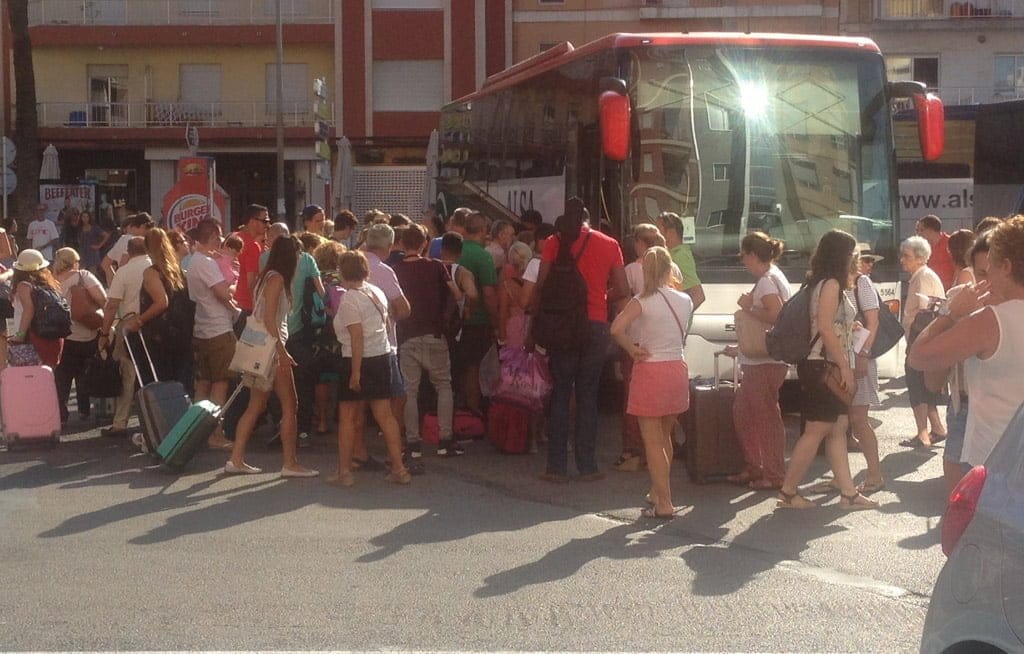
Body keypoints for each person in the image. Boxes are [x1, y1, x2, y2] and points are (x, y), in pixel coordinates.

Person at [909, 217, 1024, 475]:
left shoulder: (991, 320)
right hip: (1001, 443)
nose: (985, 278)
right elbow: (932, 381)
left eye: (991, 267)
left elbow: (918, 356)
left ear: (1005, 266)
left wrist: (950, 314)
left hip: (995, 455)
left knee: (972, 513)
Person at [776, 229, 878, 510]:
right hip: (824, 364)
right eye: (853, 254)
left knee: (836, 427)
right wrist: (845, 366)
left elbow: (826, 325)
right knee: (818, 429)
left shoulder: (820, 283)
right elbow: (823, 327)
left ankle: (848, 493)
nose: (855, 259)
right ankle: (788, 491)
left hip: (819, 364)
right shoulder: (832, 284)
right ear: (843, 255)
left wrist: (848, 328)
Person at [535, 199, 628, 482]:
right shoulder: (609, 244)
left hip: (562, 325)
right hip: (595, 324)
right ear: (589, 220)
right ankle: (588, 465)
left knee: (562, 391)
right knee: (588, 394)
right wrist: (599, 295)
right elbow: (623, 288)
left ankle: (556, 467)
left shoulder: (554, 241)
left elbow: (541, 285)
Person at [224, 235, 318, 478]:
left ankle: (236, 458)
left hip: (263, 349)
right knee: (290, 405)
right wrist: (282, 352)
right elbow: (269, 319)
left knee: (256, 405)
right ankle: (290, 462)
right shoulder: (277, 279)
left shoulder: (267, 276)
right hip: (273, 349)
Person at [610, 246, 692, 518]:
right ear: (670, 269)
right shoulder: (685, 300)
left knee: (652, 441)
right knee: (665, 436)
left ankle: (665, 502)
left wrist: (632, 349)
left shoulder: (641, 301)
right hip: (676, 369)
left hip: (650, 370)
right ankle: (658, 491)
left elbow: (615, 329)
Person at [329, 251, 412, 487]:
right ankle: (399, 468)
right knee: (386, 416)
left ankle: (344, 472)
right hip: (382, 356)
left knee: (348, 417)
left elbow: (356, 337)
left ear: (343, 271)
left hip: (357, 360)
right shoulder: (376, 292)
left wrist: (355, 373)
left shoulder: (350, 298)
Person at [613, 223, 682, 472]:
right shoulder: (674, 270)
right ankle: (663, 462)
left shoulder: (632, 270)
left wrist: (630, 347)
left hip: (640, 345)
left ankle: (633, 452)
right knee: (665, 418)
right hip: (671, 351)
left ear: (639, 244)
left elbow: (620, 308)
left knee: (634, 403)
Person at [728, 232, 792, 491]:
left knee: (764, 416)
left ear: (753, 255)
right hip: (765, 358)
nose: (743, 261)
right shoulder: (775, 276)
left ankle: (773, 473)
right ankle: (757, 467)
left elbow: (776, 315)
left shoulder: (766, 281)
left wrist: (747, 307)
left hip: (763, 361)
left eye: (744, 256)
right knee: (746, 413)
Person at [393, 224, 462, 461]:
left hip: (407, 335)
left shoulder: (396, 269)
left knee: (410, 391)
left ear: (402, 244)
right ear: (424, 244)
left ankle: (412, 443)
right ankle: (445, 440)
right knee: (443, 385)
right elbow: (456, 294)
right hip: (434, 334)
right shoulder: (436, 267)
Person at [186, 218, 241, 450]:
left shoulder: (193, 262)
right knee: (220, 384)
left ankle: (196, 433)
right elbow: (222, 293)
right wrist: (234, 284)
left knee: (203, 385)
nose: (221, 241)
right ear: (211, 237)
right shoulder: (206, 263)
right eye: (219, 237)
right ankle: (215, 434)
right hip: (218, 328)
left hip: (201, 327)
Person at [120, 228, 191, 386]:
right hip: (182, 331)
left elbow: (161, 302)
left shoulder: (152, 272)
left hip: (160, 334)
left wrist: (139, 320)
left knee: (157, 378)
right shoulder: (177, 271)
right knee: (180, 378)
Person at [96, 238, 151, 438]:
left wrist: (104, 333)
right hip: (154, 324)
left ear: (128, 253)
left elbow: (111, 306)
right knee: (153, 372)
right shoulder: (156, 267)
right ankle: (157, 416)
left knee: (128, 374)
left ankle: (120, 422)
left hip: (129, 324)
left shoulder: (125, 271)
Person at [899, 235, 948, 449]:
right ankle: (936, 428)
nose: (902, 260)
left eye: (907, 256)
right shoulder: (922, 275)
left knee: (916, 384)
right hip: (922, 339)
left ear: (920, 258)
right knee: (924, 386)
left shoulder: (923, 276)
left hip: (920, 340)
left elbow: (926, 310)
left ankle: (922, 434)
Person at [845, 252, 885, 494]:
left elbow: (873, 321)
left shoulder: (861, 282)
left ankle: (874, 475)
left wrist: (863, 354)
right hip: (842, 358)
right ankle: (842, 478)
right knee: (841, 423)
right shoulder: (836, 282)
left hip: (860, 357)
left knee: (859, 420)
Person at [53, 248, 107, 426]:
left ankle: (61, 414)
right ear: (75, 260)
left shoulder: (51, 280)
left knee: (63, 377)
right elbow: (103, 298)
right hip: (87, 333)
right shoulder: (83, 276)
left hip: (63, 336)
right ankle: (85, 409)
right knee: (86, 371)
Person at [455, 212, 499, 414]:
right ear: (483, 231)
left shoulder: (454, 250)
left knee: (459, 367)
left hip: (453, 321)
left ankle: (459, 406)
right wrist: (496, 321)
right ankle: (473, 411)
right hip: (477, 320)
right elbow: (489, 294)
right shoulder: (483, 256)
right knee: (474, 367)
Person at [655, 211, 705, 312]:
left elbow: (698, 296)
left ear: (671, 232)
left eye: (658, 231)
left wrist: (679, 318)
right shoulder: (672, 254)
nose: (655, 236)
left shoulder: (680, 256)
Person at [234, 204, 271, 320]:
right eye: (265, 221)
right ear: (253, 221)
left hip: (232, 303)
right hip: (247, 306)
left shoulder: (233, 237)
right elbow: (252, 284)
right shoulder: (253, 246)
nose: (268, 225)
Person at [101, 213, 154, 285]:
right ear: (142, 226)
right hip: (135, 283)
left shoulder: (123, 239)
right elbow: (123, 263)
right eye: (147, 231)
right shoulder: (132, 240)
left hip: (125, 285)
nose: (147, 234)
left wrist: (115, 284)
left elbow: (105, 264)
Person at [915, 214, 955, 290]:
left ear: (931, 230)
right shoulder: (924, 247)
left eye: (921, 230)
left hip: (947, 290)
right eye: (917, 230)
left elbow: (957, 268)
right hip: (930, 290)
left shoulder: (949, 243)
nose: (918, 234)